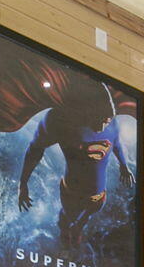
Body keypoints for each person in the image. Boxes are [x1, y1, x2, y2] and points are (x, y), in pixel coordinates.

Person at [15, 78, 136, 252]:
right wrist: (23, 183)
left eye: (107, 120)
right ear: (85, 110)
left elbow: (115, 142)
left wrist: (124, 166)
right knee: (67, 219)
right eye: (98, 119)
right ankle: (65, 232)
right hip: (72, 194)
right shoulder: (59, 120)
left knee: (85, 217)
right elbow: (35, 149)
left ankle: (77, 228)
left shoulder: (111, 122)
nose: (102, 126)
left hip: (99, 197)